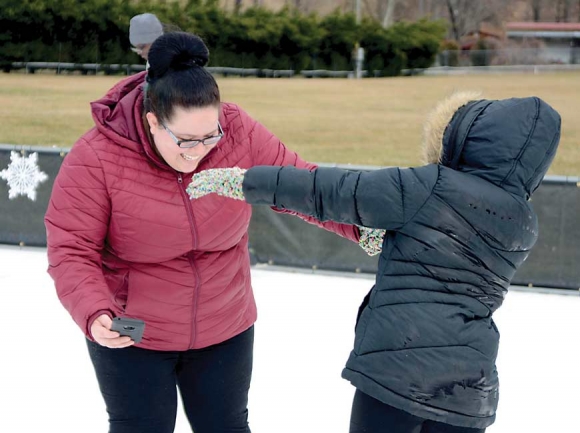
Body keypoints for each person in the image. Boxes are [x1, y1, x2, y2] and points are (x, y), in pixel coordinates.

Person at [44, 31, 381, 433]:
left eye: (210, 136)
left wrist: (364, 227)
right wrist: (94, 310)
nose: (199, 149)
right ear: (153, 121)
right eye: (185, 140)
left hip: (225, 322)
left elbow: (300, 186)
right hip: (136, 333)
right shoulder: (97, 156)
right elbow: (71, 249)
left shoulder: (240, 132)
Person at [187, 92, 561, 432]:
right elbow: (450, 258)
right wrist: (390, 238)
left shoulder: (429, 186)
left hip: (396, 373)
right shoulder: (524, 223)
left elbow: (330, 191)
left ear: (469, 138)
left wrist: (245, 180)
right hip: (470, 388)